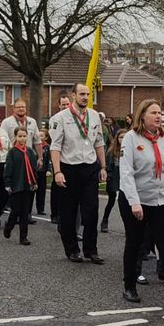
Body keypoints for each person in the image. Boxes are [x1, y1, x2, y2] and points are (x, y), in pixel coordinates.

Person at [117, 100, 164, 306]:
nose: (159, 116)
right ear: (143, 116)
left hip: (161, 200)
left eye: (160, 113)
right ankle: (129, 286)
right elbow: (126, 173)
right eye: (154, 113)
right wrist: (134, 202)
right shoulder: (132, 139)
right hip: (136, 200)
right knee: (135, 243)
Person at [49, 83, 107, 264]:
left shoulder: (95, 116)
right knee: (69, 212)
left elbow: (99, 142)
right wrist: (57, 171)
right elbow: (55, 146)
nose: (85, 97)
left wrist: (103, 167)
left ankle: (91, 250)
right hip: (69, 168)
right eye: (82, 94)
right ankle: (72, 249)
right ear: (74, 95)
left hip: (89, 168)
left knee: (91, 211)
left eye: (88, 94)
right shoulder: (60, 118)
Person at [2, 128, 39, 244]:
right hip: (16, 185)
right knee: (16, 210)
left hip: (28, 185)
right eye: (20, 136)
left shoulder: (30, 151)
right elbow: (8, 169)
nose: (22, 138)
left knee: (25, 211)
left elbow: (33, 168)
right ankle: (9, 226)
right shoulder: (12, 152)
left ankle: (23, 237)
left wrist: (35, 182)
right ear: (15, 137)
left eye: (24, 136)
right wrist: (7, 183)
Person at [48, 92, 72, 225]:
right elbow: (55, 137)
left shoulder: (74, 117)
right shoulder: (55, 119)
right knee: (56, 186)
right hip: (59, 155)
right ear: (59, 105)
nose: (65, 106)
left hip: (70, 156)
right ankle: (55, 213)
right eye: (63, 104)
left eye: (67, 104)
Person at [100, 128, 124, 233]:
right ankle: (104, 220)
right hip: (114, 179)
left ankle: (128, 226)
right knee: (111, 201)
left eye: (125, 137)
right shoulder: (112, 152)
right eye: (121, 137)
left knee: (124, 205)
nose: (123, 139)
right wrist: (109, 177)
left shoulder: (131, 150)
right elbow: (108, 166)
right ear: (117, 138)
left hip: (125, 180)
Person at [34, 128, 52, 217]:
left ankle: (40, 208)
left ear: (46, 137)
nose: (39, 137)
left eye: (41, 136)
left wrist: (49, 170)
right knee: (32, 189)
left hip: (42, 171)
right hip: (34, 171)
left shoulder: (47, 147)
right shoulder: (34, 146)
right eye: (38, 136)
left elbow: (49, 159)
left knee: (41, 191)